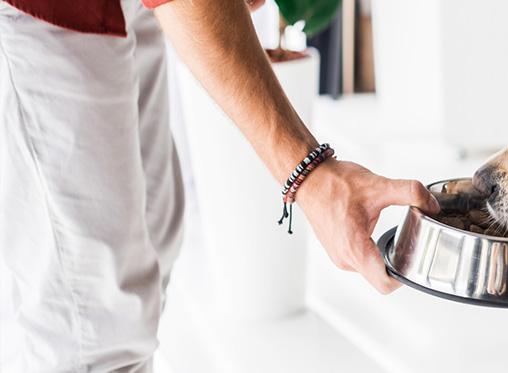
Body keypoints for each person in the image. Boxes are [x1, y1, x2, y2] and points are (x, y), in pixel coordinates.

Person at [0, 0, 439, 370]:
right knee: (92, 317)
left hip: (125, 10)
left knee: (154, 239)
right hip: (45, 15)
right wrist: (312, 177)